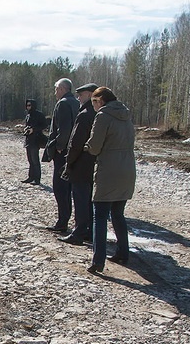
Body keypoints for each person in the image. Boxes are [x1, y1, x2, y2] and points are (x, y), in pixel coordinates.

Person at [84, 87, 136, 273]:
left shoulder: (103, 116)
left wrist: (87, 147)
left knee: (99, 215)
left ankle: (98, 260)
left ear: (101, 101)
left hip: (109, 170)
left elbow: (95, 146)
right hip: (127, 169)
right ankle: (123, 252)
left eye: (94, 103)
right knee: (118, 214)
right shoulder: (126, 115)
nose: (94, 107)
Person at [59, 83, 98, 244]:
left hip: (81, 164)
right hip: (92, 163)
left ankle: (79, 233)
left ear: (89, 95)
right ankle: (89, 231)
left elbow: (76, 142)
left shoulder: (85, 114)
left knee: (81, 199)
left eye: (81, 95)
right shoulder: (97, 113)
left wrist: (69, 161)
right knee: (89, 200)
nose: (78, 98)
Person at [46, 79, 80, 231]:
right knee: (68, 187)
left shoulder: (63, 103)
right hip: (73, 150)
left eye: (56, 89)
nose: (54, 92)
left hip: (63, 151)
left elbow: (64, 128)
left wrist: (59, 146)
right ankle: (66, 220)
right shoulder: (77, 103)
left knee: (60, 188)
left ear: (62, 88)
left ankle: (62, 222)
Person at [21, 99, 47, 184]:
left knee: (35, 160)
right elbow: (28, 125)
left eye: (30, 105)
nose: (28, 107)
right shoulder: (28, 115)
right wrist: (26, 129)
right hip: (28, 140)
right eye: (27, 105)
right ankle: (30, 177)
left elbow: (44, 125)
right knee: (30, 160)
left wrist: (34, 129)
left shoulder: (39, 115)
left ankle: (37, 179)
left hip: (36, 139)